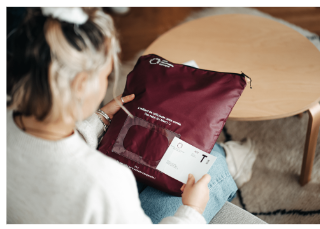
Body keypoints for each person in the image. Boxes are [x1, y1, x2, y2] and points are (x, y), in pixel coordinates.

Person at [6, 7, 244, 224]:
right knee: (211, 169)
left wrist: (98, 119)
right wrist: (192, 209)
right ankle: (228, 159)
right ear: (80, 85)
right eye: (106, 75)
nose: (107, 82)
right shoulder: (106, 181)